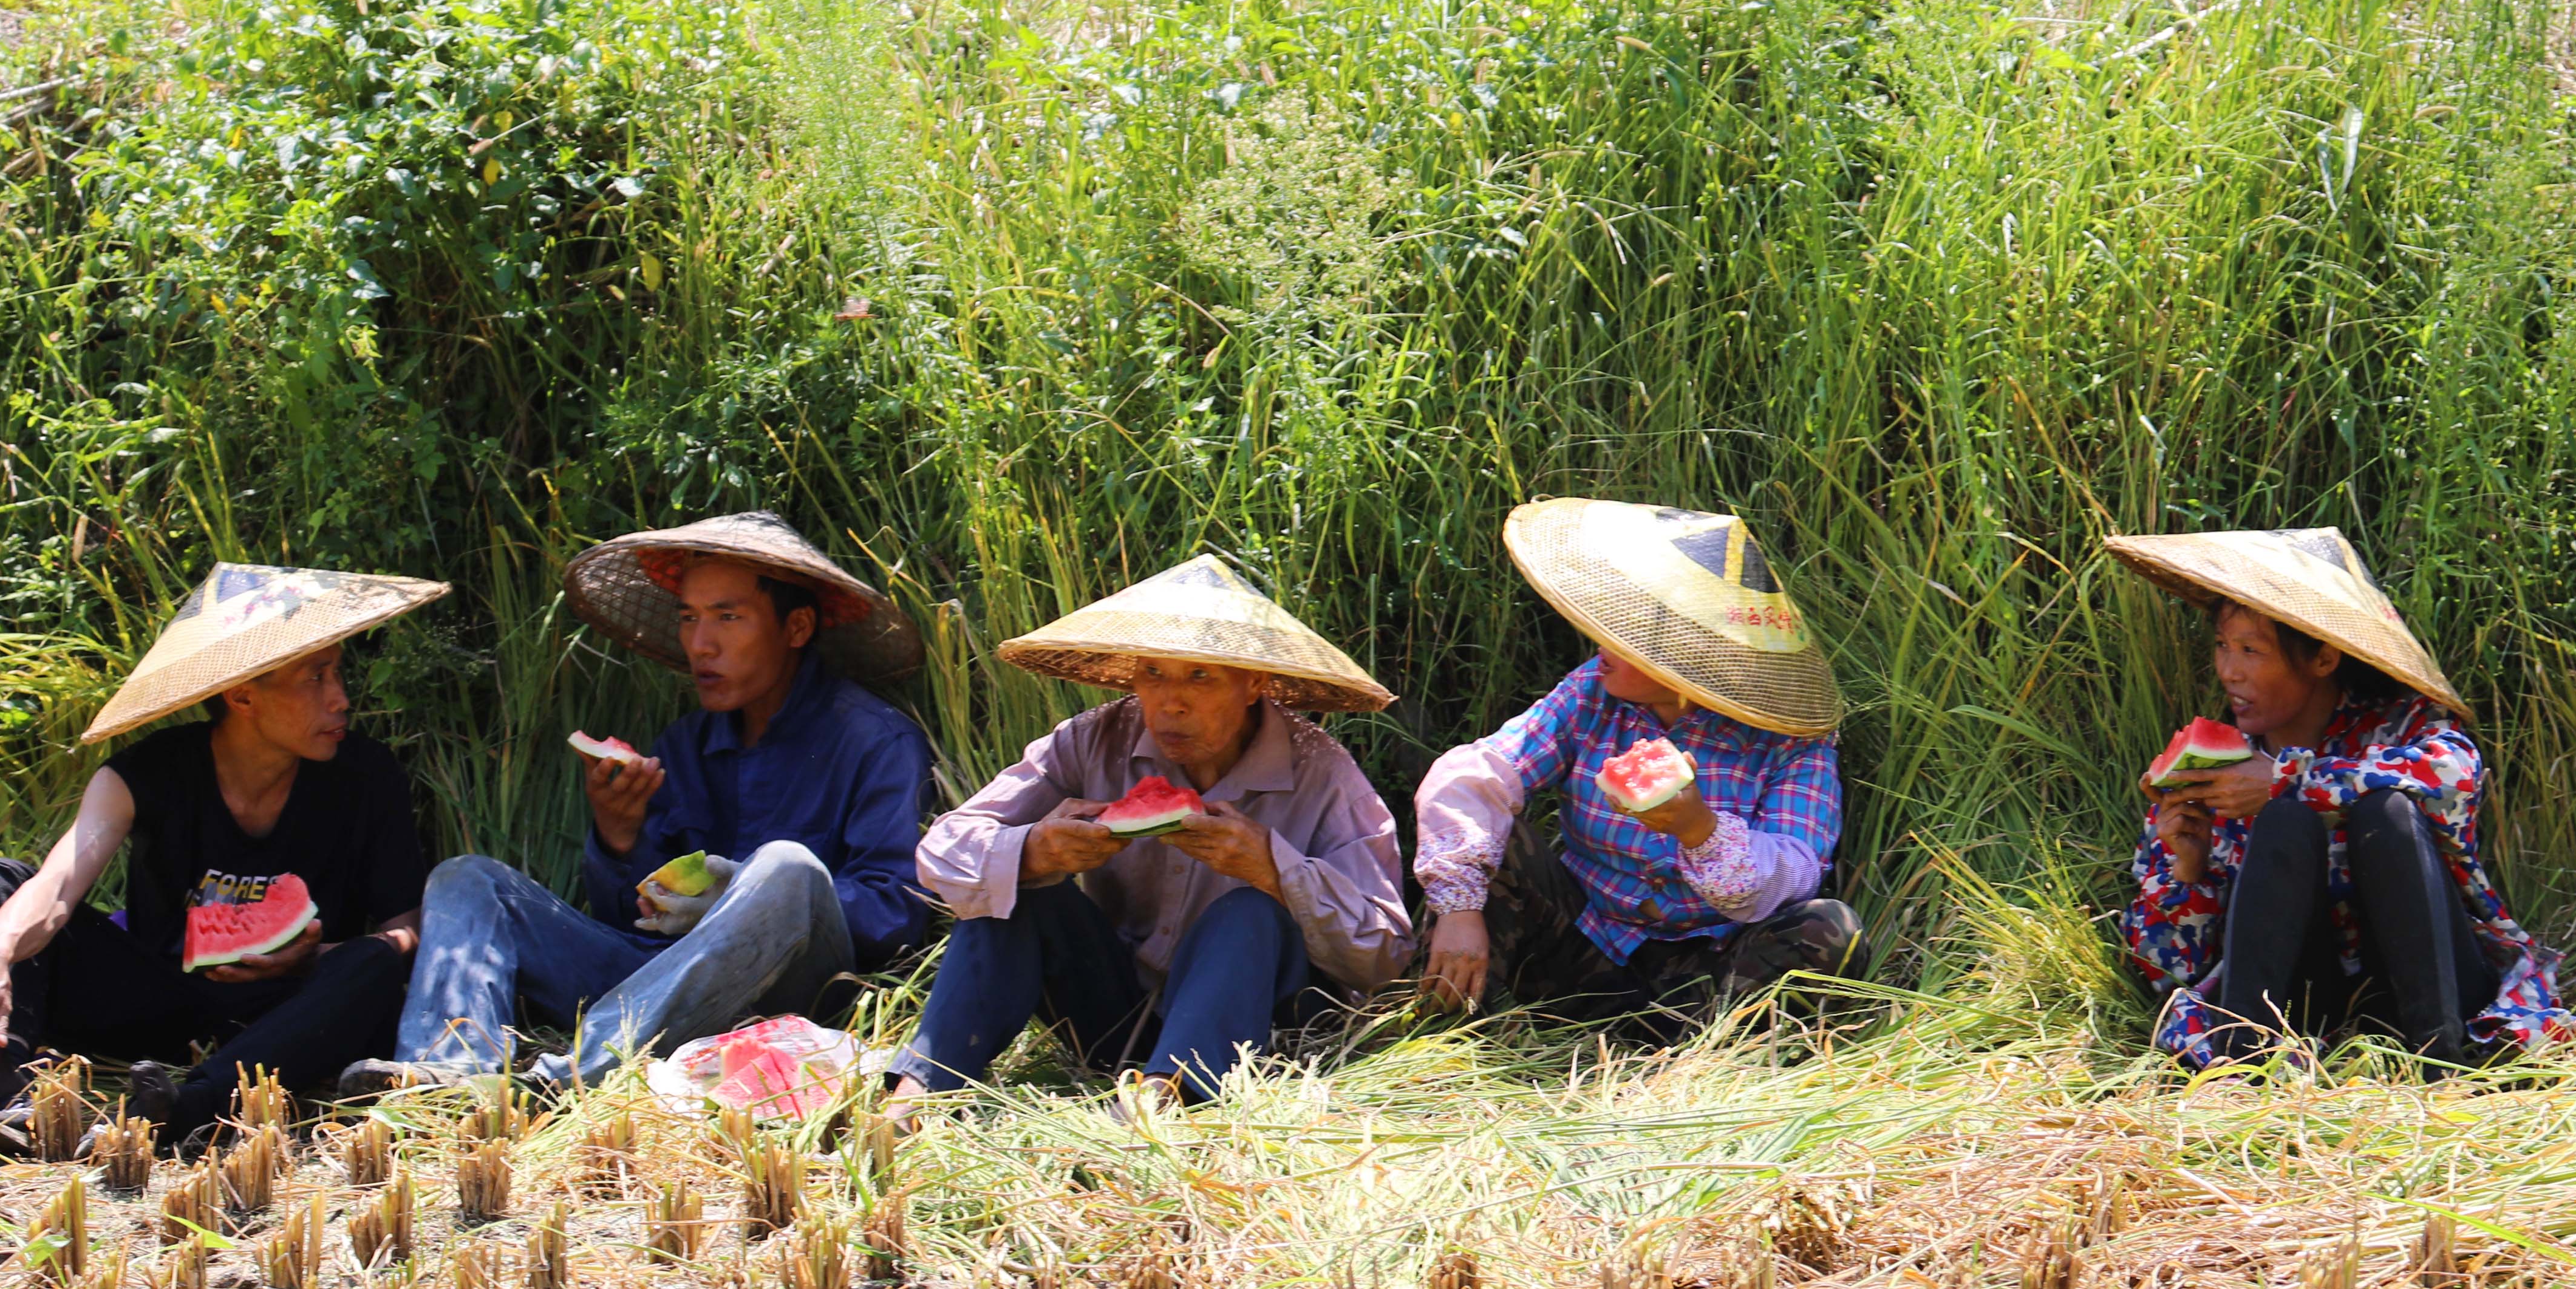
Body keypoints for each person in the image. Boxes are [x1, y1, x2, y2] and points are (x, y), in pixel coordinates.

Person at [367, 512, 934, 1093]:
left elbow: (896, 910)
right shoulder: (685, 746)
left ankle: (569, 1079)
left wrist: (743, 892)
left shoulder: (876, 741)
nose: (700, 643)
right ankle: (446, 1073)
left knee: (785, 865)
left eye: (728, 617)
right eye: (689, 618)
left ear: (796, 628)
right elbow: (631, 917)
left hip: (792, 989)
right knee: (468, 879)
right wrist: (620, 836)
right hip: (657, 990)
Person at [0, 564, 445, 1144]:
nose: (341, 699)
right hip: (156, 1001)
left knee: (371, 965)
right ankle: (9, 1102)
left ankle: (191, 1108)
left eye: (338, 674)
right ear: (244, 694)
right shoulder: (145, 773)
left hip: (289, 1014)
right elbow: (56, 887)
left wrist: (317, 953)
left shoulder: (367, 777)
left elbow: (408, 930)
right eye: (315, 678)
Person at [891, 554, 1412, 1110]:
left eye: (1201, 676)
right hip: (1116, 1021)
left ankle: (1158, 1109)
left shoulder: (1324, 774)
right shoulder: (1094, 739)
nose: (1170, 702)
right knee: (1015, 892)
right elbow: (943, 852)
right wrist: (1034, 850)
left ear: (1255, 683)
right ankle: (916, 1097)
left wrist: (1275, 870)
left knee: (1250, 912)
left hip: (1262, 1033)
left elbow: (1383, 952)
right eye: (1153, 674)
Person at [2109, 527, 2566, 1070]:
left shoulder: (2403, 725)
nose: (2229, 670)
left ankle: (2441, 1063)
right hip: (2302, 1005)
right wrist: (2189, 872)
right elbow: (2166, 974)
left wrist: (2289, 778)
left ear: (2324, 659)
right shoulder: (2210, 774)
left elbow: (2456, 772)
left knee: (2385, 810)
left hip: (2429, 985)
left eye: (2252, 650)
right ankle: (2245, 1063)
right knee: (2285, 823)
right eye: (2222, 647)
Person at [1416, 499, 1867, 1024]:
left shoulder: (1791, 740)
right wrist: (1460, 907)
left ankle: (1720, 1053)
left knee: (1830, 929)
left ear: (1686, 655)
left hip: (1716, 971)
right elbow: (1479, 773)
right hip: (1581, 952)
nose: (1603, 640)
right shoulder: (1590, 693)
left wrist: (1700, 829)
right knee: (1488, 838)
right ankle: (1456, 1028)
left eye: (1630, 633)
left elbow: (1796, 873)